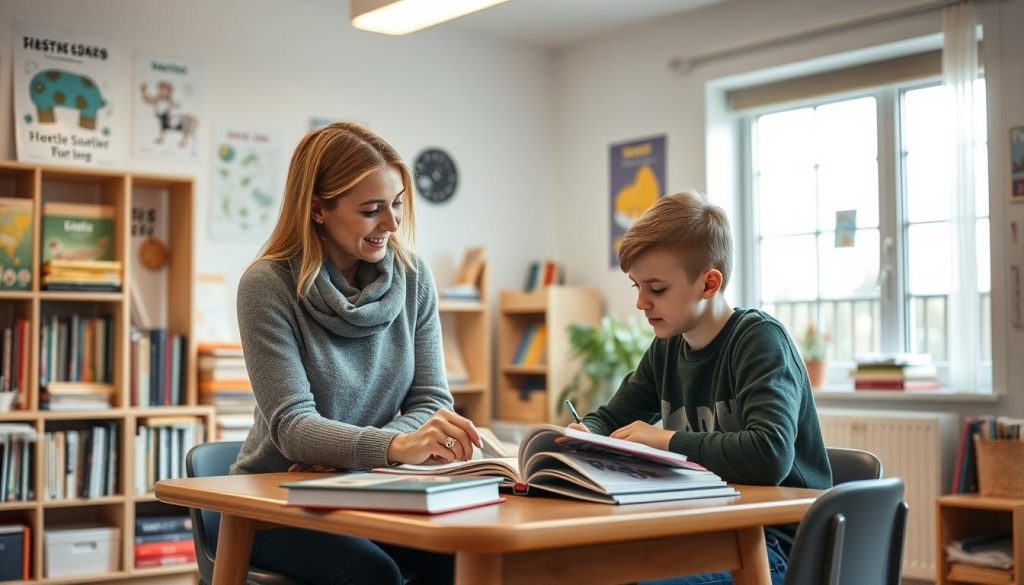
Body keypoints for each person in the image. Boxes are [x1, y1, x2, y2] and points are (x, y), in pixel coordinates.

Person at [231, 122, 479, 585]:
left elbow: (431, 401)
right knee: (374, 574)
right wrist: (394, 445)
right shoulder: (266, 286)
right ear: (317, 209)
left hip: (372, 488)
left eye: (398, 204)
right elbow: (293, 426)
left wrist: (361, 457)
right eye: (371, 210)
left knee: (462, 557)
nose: (391, 224)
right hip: (276, 495)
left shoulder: (413, 276)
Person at [570, 191, 832, 585]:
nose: (642, 302)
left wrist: (666, 440)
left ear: (709, 283)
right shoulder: (667, 348)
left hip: (773, 546)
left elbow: (771, 454)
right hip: (704, 533)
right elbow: (610, 417)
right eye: (636, 286)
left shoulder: (760, 341)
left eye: (656, 289)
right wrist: (584, 433)